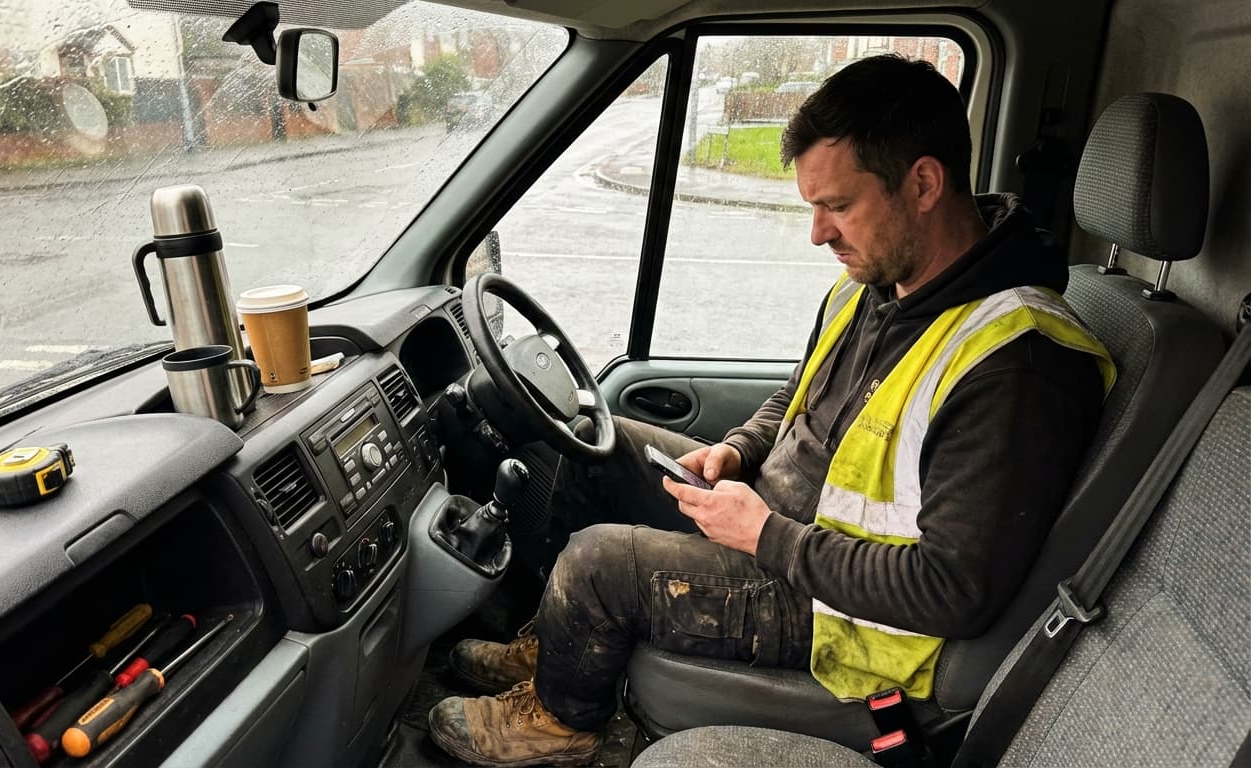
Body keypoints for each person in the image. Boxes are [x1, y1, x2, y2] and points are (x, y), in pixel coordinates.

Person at [428, 54, 1115, 767]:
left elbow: (952, 590)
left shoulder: (1017, 363)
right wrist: (740, 450)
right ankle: (560, 649)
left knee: (600, 561)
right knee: (597, 442)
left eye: (838, 206)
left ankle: (561, 723)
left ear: (924, 184)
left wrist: (766, 537)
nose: (818, 234)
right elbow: (797, 397)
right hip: (779, 526)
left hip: (844, 613)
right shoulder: (879, 286)